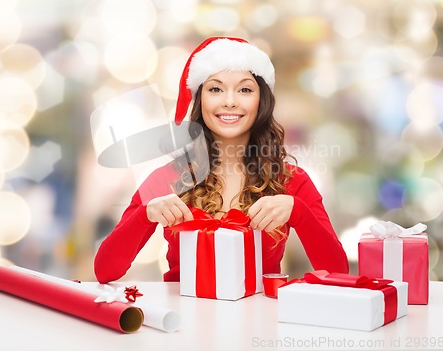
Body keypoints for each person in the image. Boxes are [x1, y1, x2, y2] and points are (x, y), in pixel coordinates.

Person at [94, 37, 349, 283]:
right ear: (200, 99)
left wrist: (298, 212)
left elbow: (338, 270)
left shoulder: (291, 180)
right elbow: (105, 271)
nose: (229, 101)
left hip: (259, 324)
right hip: (183, 323)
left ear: (261, 101)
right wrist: (145, 215)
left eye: (245, 89)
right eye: (216, 89)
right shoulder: (166, 177)